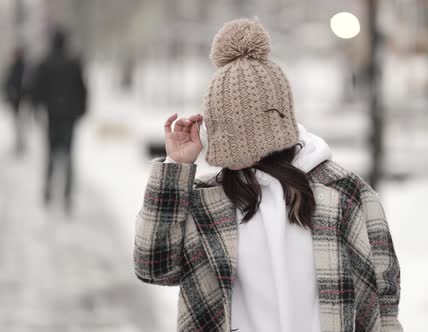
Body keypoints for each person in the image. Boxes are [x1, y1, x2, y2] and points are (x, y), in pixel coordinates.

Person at [134, 19, 402, 332]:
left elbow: (385, 301)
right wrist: (175, 167)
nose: (218, 142)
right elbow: (154, 266)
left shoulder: (345, 194)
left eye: (230, 129)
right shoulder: (208, 201)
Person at [31, 28, 87, 212]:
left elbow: (36, 89)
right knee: (69, 155)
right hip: (68, 117)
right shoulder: (73, 63)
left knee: (50, 155)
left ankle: (48, 190)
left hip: (52, 117)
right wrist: (80, 111)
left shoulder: (45, 62)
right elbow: (82, 90)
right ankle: (67, 194)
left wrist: (37, 109)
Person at [2, 47, 27, 155]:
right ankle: (19, 143)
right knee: (19, 123)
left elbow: (9, 83)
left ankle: (19, 143)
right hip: (20, 100)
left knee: (19, 123)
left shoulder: (18, 68)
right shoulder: (24, 67)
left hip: (19, 100)